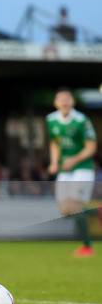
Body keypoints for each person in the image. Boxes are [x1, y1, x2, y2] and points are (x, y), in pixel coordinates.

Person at [47, 88, 97, 257]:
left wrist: (73, 160)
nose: (64, 102)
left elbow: (91, 147)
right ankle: (97, 212)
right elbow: (55, 143)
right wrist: (54, 162)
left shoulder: (81, 120)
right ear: (56, 103)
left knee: (75, 206)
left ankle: (87, 247)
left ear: (72, 102)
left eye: (67, 99)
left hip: (83, 168)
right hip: (65, 170)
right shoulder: (51, 120)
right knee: (64, 209)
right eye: (61, 99)